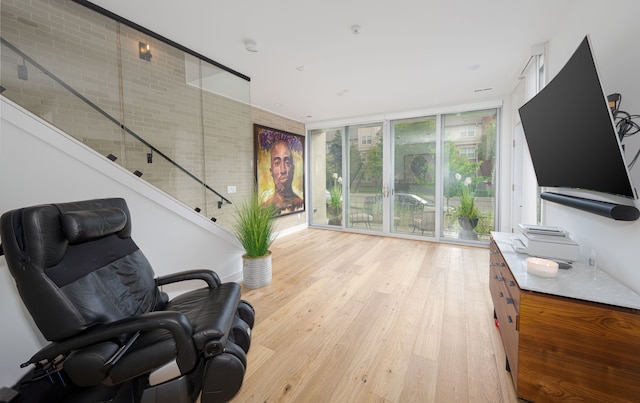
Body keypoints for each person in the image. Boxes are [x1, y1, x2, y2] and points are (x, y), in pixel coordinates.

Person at [263, 140, 303, 213]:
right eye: (277, 163)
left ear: (293, 169)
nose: (283, 170)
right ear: (271, 172)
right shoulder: (264, 208)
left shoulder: (301, 204)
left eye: (287, 163)